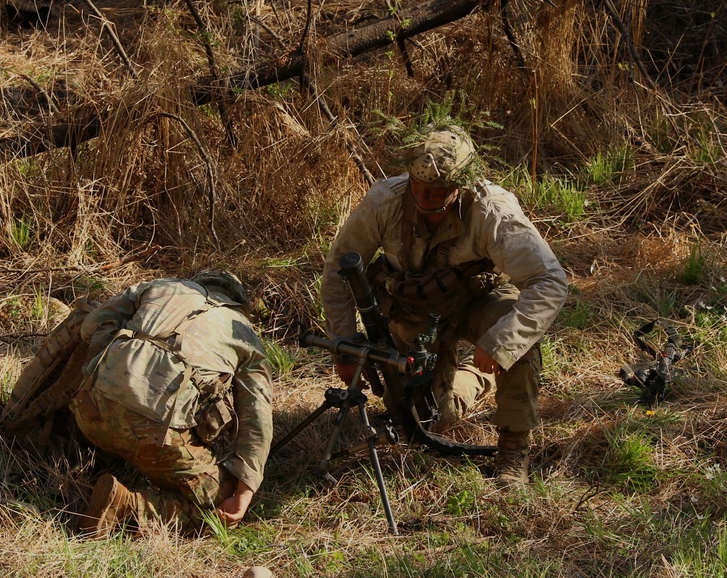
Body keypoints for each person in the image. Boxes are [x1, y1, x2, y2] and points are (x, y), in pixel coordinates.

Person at [320, 124, 567, 486]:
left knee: (518, 343)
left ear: (460, 185)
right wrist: (344, 348)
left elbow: (548, 280)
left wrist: (501, 343)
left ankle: (513, 450)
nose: (424, 197)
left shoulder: (491, 211)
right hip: (412, 315)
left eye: (437, 191)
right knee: (426, 422)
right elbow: (338, 268)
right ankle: (477, 377)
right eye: (417, 186)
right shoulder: (385, 201)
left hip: (474, 303)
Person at [70, 270, 273, 536]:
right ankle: (127, 507)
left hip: (89, 412)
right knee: (220, 499)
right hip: (156, 439)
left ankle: (86, 460)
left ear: (196, 283)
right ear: (238, 303)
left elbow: (89, 327)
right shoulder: (243, 333)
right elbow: (257, 418)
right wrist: (244, 491)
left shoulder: (158, 286)